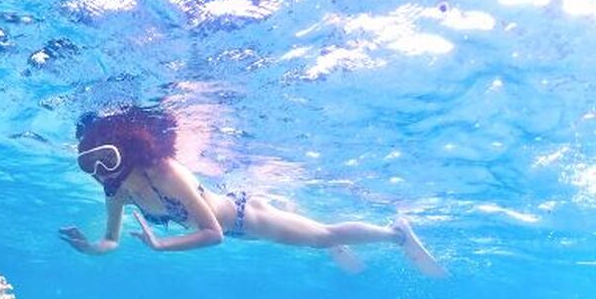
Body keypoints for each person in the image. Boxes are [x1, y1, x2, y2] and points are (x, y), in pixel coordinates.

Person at [59, 106, 445, 276]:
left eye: (105, 157)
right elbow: (111, 240)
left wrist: (162, 245)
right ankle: (290, 212)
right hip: (237, 222)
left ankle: (396, 233)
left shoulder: (164, 171)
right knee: (306, 232)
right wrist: (90, 248)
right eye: (90, 163)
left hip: (244, 219)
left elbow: (213, 234)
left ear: (126, 145)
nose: (101, 171)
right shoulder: (116, 190)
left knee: (321, 237)